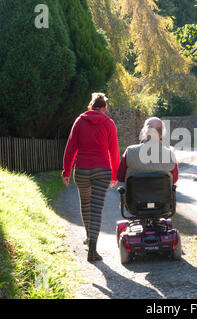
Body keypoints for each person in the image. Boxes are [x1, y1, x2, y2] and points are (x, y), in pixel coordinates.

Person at [62, 93, 120, 262]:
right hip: (102, 170)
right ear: (104, 108)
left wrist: (66, 171)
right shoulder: (109, 123)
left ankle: (89, 239)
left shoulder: (80, 121)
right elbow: (114, 151)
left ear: (91, 106)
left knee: (86, 206)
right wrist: (115, 174)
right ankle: (93, 249)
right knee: (96, 209)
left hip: (82, 170)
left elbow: (71, 146)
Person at [117, 117, 178, 185]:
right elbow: (174, 180)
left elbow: (120, 177)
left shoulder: (130, 151)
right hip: (162, 195)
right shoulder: (170, 154)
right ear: (162, 134)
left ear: (145, 132)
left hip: (134, 195)